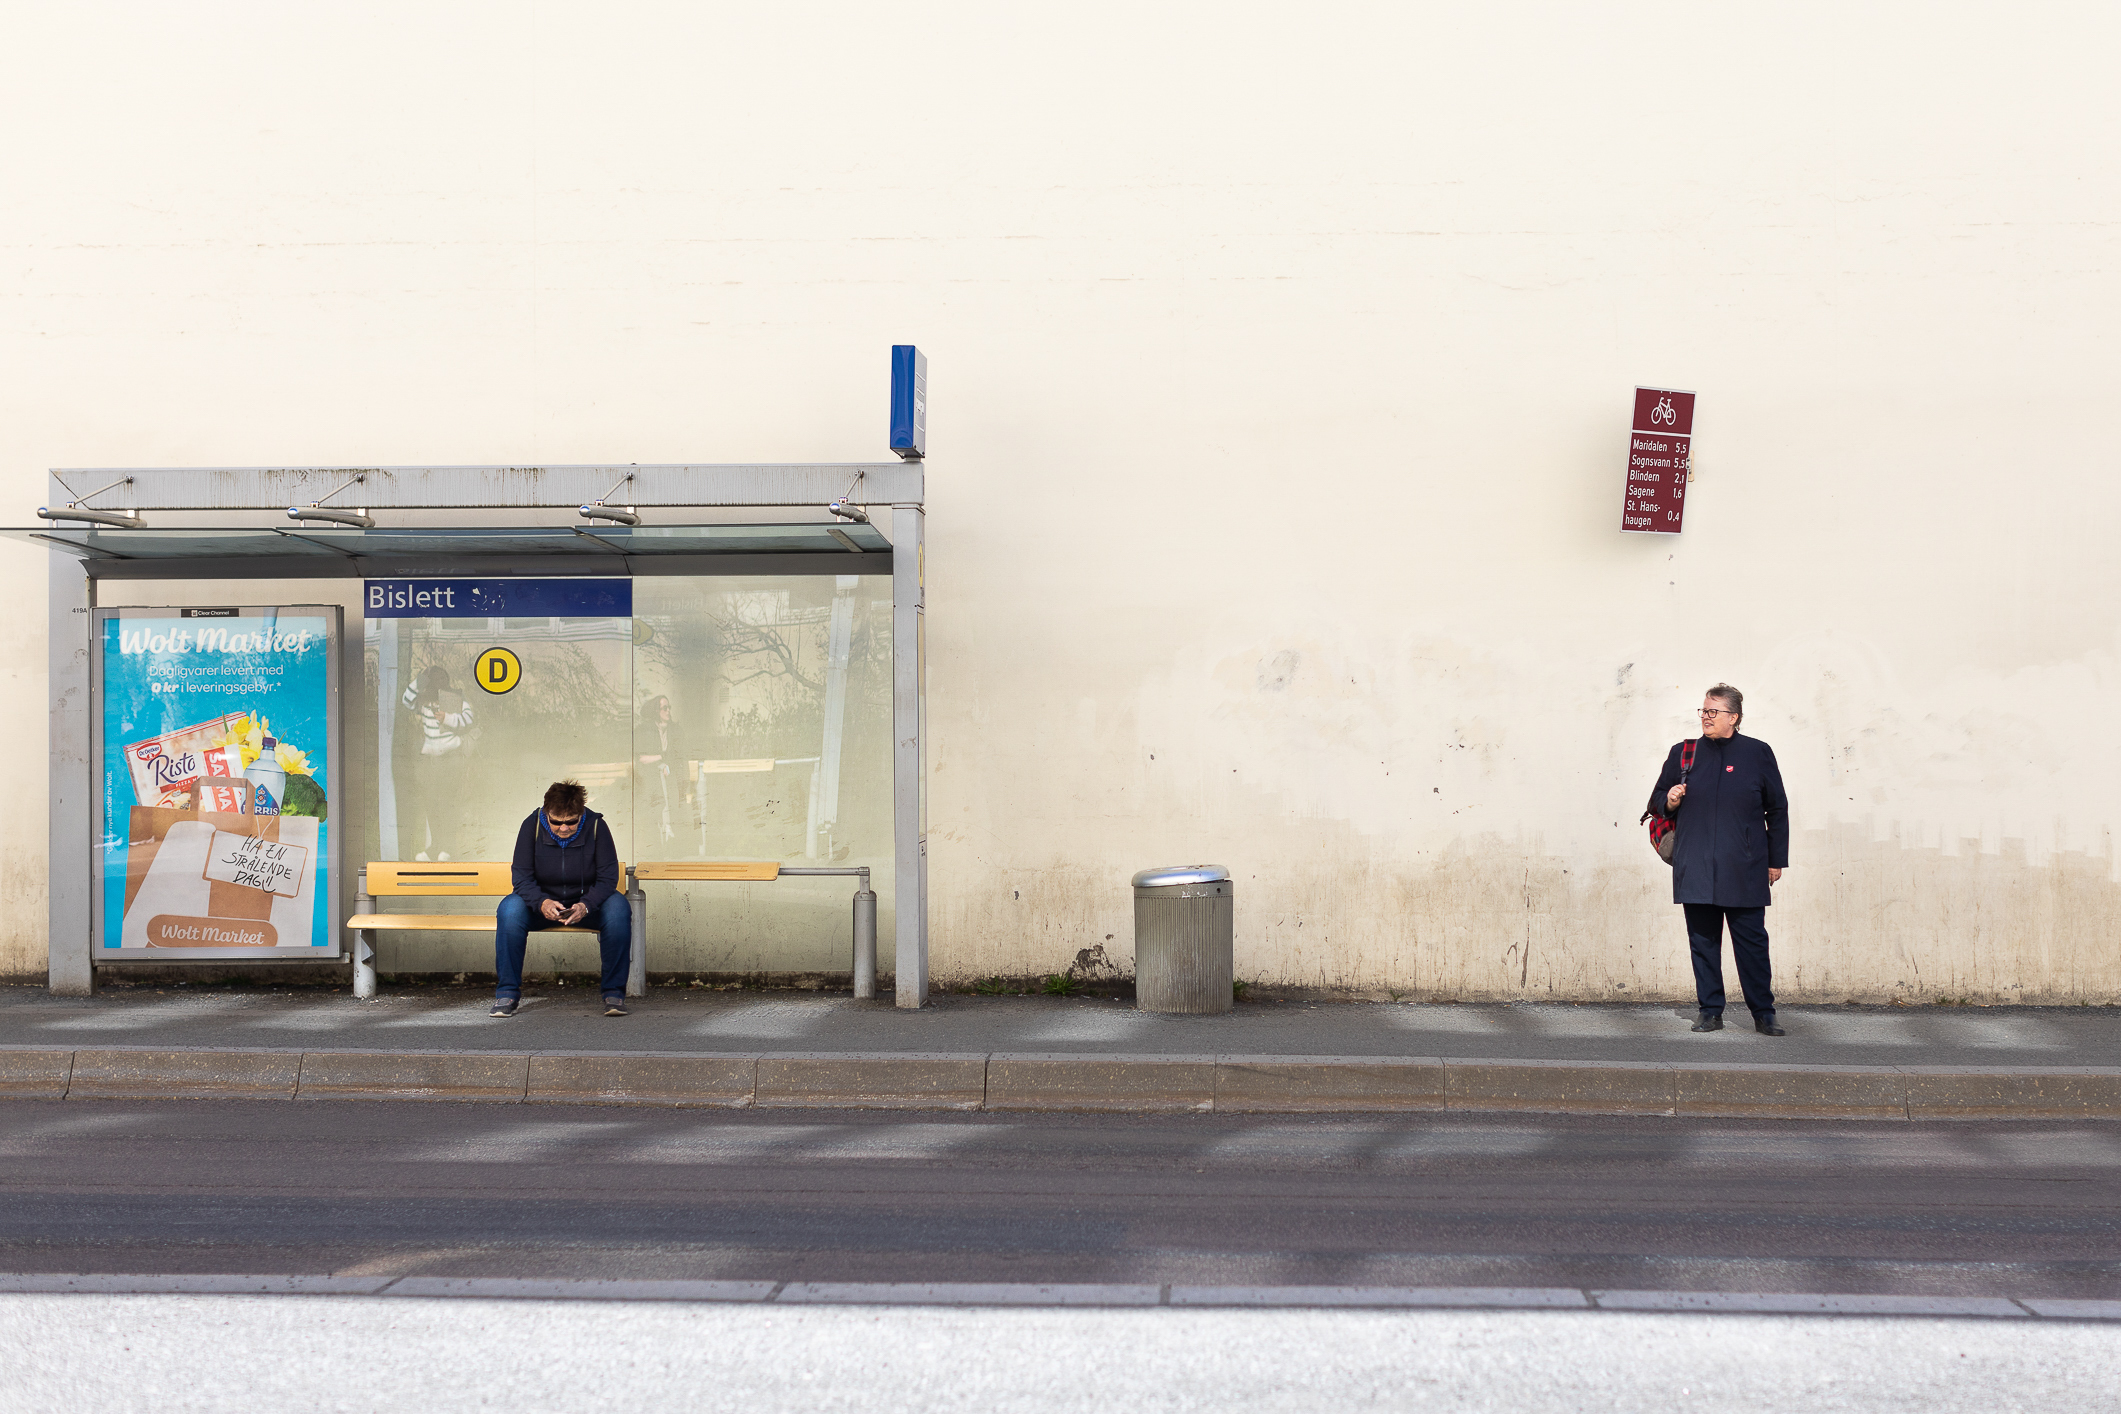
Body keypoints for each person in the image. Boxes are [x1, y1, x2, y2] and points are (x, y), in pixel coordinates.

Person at [1645, 684, 1790, 1036]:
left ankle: (1764, 1013)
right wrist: (1672, 799)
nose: (1706, 717)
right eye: (1704, 711)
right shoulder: (1684, 753)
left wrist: (1776, 860)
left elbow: (1777, 808)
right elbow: (1656, 802)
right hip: (1694, 864)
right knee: (1703, 943)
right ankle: (1710, 1010)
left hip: (1745, 866)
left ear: (1733, 717)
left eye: (1713, 712)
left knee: (1752, 944)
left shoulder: (1758, 753)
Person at [490, 780, 631, 1018]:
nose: (563, 828)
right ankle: (507, 993)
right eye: (556, 822)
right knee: (509, 910)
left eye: (571, 821)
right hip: (541, 906)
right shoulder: (531, 825)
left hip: (586, 905)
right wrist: (541, 902)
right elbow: (521, 877)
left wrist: (586, 906)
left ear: (581, 814)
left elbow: (608, 877)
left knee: (618, 909)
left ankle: (613, 993)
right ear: (547, 813)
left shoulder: (597, 826)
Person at [400, 665, 474, 861]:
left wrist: (448, 718)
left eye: (442, 678)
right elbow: (406, 701)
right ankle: (436, 847)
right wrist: (419, 681)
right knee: (431, 804)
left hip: (451, 757)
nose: (438, 683)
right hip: (430, 759)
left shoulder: (455, 697)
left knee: (447, 804)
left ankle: (448, 849)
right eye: (434, 679)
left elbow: (468, 720)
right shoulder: (423, 699)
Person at [634, 694, 693, 842]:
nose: (668, 711)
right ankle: (656, 839)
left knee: (673, 797)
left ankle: (673, 839)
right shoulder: (645, 730)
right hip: (651, 778)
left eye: (669, 708)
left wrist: (667, 763)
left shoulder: (675, 730)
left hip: (672, 777)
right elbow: (642, 758)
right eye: (664, 708)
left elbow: (680, 754)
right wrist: (662, 759)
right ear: (656, 711)